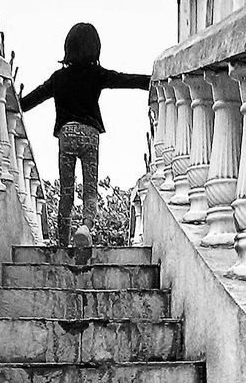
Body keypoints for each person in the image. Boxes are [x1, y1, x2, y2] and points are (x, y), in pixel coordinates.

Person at [19, 23, 151, 248]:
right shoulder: (96, 74)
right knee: (90, 189)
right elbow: (124, 79)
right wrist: (150, 80)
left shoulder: (58, 77)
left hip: (66, 135)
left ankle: (62, 243)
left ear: (68, 47)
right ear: (95, 48)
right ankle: (85, 228)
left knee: (66, 193)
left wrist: (15, 101)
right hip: (90, 136)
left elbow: (31, 100)